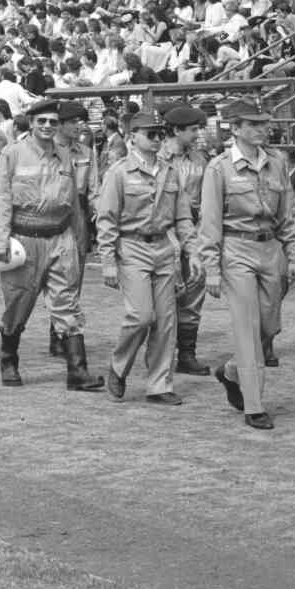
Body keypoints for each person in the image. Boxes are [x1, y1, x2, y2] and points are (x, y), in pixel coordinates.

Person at [199, 98, 295, 430]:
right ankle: (254, 404)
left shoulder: (277, 163)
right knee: (246, 326)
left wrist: (293, 253)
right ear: (235, 129)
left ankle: (231, 371)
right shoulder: (219, 168)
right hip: (236, 249)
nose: (262, 129)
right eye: (254, 124)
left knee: (268, 326)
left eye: (264, 123)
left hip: (271, 249)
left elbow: (288, 211)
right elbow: (211, 222)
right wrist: (212, 268)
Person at [0, 99, 104, 391]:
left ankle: (77, 371)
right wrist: (0, 239)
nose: (48, 126)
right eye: (42, 121)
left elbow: (74, 203)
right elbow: (1, 198)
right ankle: (9, 358)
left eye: (53, 122)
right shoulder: (12, 154)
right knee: (19, 303)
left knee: (67, 301)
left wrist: (81, 239)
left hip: (61, 237)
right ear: (30, 122)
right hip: (25, 240)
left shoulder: (66, 155)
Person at [96, 111, 200, 406]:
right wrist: (107, 261)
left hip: (163, 247)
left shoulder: (171, 171)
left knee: (167, 320)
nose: (156, 140)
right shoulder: (118, 172)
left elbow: (182, 216)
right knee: (141, 316)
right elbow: (106, 219)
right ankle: (119, 367)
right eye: (149, 134)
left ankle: (159, 384)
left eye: (160, 134)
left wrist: (191, 250)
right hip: (132, 246)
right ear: (132, 137)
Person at [161, 104, 213, 376]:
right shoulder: (158, 158)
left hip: (194, 227)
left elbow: (207, 198)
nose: (197, 134)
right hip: (164, 229)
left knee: (194, 291)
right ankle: (161, 354)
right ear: (176, 130)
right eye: (192, 130)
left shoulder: (199, 160)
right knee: (166, 294)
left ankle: (187, 354)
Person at [48, 102, 98, 357]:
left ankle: (60, 333)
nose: (80, 126)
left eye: (82, 121)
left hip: (78, 215)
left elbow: (93, 188)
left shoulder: (86, 151)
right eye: (75, 121)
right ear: (61, 123)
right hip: (51, 216)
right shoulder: (46, 149)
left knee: (73, 277)